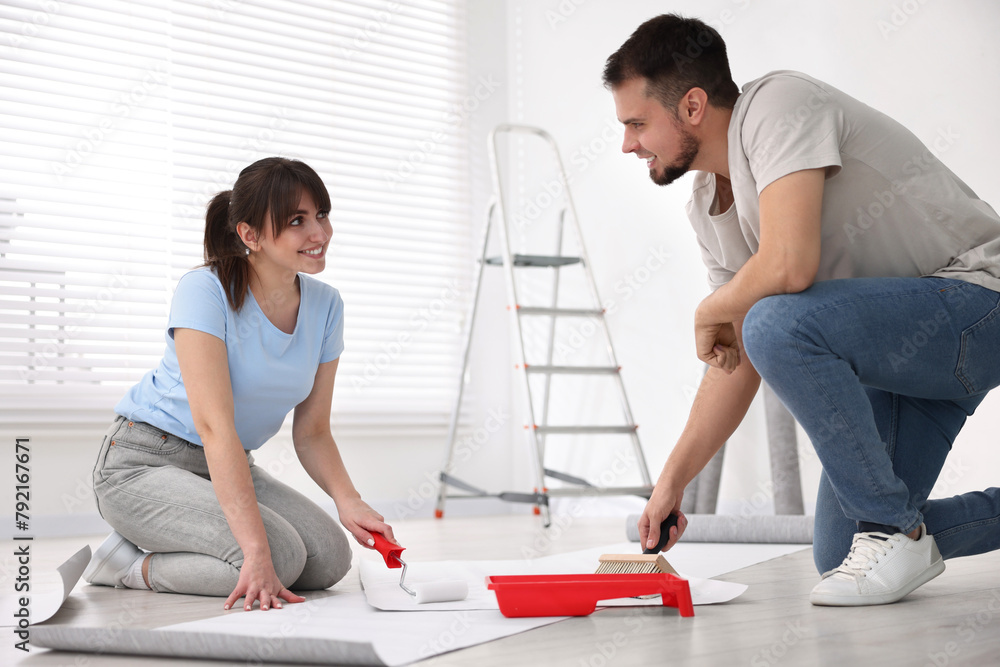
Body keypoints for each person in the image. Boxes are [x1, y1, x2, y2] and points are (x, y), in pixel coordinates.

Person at [604, 14, 1000, 606]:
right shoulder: (708, 209)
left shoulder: (777, 105)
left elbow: (789, 266)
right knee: (840, 556)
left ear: (691, 106)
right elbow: (736, 356)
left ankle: (898, 532)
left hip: (977, 304)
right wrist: (671, 483)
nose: (628, 143)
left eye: (637, 123)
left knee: (776, 319)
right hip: (902, 356)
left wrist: (713, 305)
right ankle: (894, 530)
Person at [84, 157, 394, 612]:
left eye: (322, 215)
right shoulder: (204, 290)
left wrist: (350, 502)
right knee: (277, 556)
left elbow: (312, 432)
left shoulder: (326, 306)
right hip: (142, 463)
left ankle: (203, 546)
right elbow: (214, 427)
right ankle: (128, 566)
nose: (320, 234)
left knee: (329, 558)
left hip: (227, 466)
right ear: (249, 235)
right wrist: (256, 551)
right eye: (297, 221)